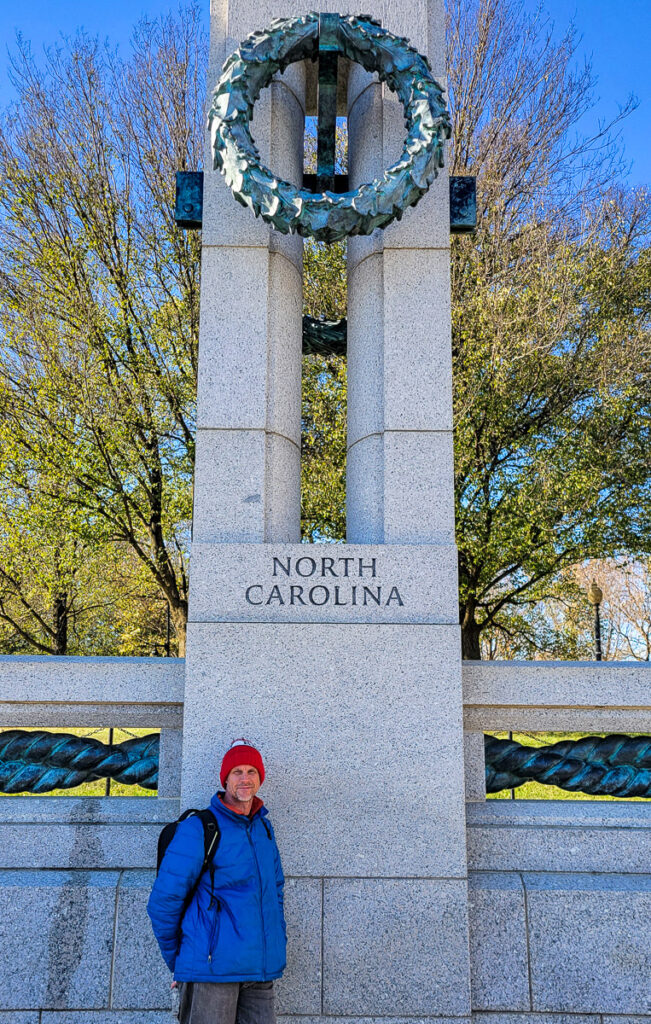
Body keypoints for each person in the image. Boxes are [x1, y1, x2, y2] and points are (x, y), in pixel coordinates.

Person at [148, 739, 286, 1024]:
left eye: (251, 771)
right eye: (237, 772)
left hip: (260, 972)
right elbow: (164, 901)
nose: (245, 779)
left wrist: (276, 942)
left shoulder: (263, 828)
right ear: (225, 779)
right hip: (210, 972)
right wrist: (182, 963)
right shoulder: (199, 828)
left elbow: (276, 891)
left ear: (260, 777)